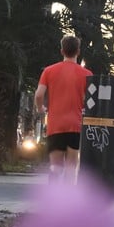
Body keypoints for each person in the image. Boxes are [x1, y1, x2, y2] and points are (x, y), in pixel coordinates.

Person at [34, 35, 93, 183]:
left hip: (55, 125)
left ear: (62, 51)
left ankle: (53, 199)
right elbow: (91, 100)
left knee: (55, 167)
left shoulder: (49, 71)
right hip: (75, 125)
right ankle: (68, 201)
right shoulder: (87, 74)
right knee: (71, 167)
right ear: (78, 52)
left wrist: (40, 108)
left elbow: (39, 94)